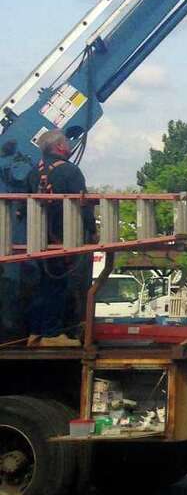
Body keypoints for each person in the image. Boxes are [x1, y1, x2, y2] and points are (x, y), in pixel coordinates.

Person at [27, 129, 95, 346]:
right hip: (63, 238)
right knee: (58, 284)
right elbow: (83, 204)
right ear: (59, 146)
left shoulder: (33, 173)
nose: (70, 145)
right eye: (66, 142)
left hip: (37, 239)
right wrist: (92, 230)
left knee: (43, 284)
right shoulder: (70, 171)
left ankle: (36, 332)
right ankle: (52, 333)